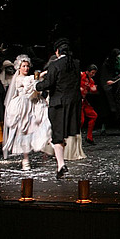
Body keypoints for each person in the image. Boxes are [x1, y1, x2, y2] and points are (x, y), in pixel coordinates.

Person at [35, 38, 82, 178]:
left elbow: (48, 84)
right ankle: (60, 165)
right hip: (73, 103)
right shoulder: (76, 64)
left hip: (59, 104)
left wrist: (36, 84)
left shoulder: (55, 64)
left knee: (57, 134)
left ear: (57, 52)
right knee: (62, 134)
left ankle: (61, 165)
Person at [3, 54, 52, 170]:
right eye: (23, 66)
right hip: (23, 107)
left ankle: (46, 143)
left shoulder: (30, 77)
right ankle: (25, 159)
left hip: (33, 104)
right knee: (24, 131)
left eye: (27, 66)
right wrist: (40, 75)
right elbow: (28, 82)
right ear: (19, 67)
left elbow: (35, 86)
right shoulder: (19, 79)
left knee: (41, 123)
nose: (26, 68)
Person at [80, 64, 99, 145]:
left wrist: (94, 90)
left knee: (94, 115)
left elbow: (92, 90)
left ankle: (89, 137)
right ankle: (75, 138)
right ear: (87, 71)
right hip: (78, 101)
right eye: (92, 73)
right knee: (81, 121)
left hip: (84, 101)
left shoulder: (91, 80)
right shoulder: (80, 75)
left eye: (94, 73)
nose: (93, 74)